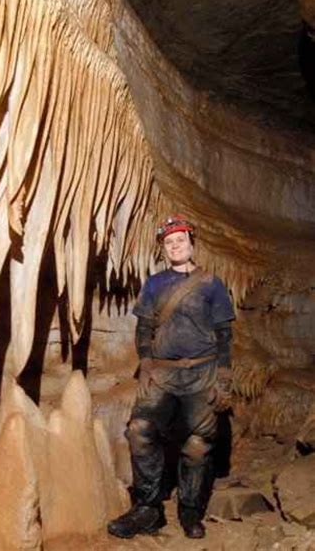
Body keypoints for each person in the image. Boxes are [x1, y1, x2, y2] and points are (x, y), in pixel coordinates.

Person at [108, 215, 235, 540]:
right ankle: (148, 509)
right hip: (162, 373)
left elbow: (224, 332)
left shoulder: (211, 284)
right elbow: (144, 327)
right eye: (169, 242)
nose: (175, 246)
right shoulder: (154, 284)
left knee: (197, 445)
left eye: (180, 240)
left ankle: (190, 511)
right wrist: (147, 362)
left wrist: (223, 376)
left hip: (202, 372)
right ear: (164, 248)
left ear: (191, 243)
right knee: (140, 430)